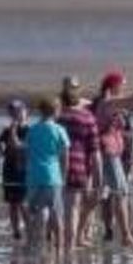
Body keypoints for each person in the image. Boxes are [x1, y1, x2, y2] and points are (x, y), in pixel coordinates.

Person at [93, 70, 133, 249]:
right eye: (122, 84)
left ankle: (81, 232)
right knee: (120, 193)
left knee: (102, 194)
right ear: (113, 85)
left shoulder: (108, 102)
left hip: (115, 153)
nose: (124, 87)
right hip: (108, 152)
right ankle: (126, 236)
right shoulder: (108, 102)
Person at [56, 77, 101, 248]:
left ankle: (63, 246)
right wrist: (99, 179)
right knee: (72, 209)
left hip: (56, 169)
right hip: (78, 169)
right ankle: (70, 247)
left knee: (60, 209)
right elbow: (95, 151)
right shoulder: (88, 117)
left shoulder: (57, 116)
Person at [23, 96, 70, 251]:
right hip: (53, 176)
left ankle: (35, 243)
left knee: (36, 211)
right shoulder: (59, 129)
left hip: (35, 176)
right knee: (56, 212)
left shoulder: (33, 129)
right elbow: (65, 155)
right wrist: (64, 176)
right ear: (56, 111)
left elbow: (27, 152)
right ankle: (60, 245)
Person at [0, 100, 31, 243]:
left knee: (23, 203)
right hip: (9, 170)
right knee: (12, 204)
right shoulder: (7, 130)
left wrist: (13, 132)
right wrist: (0, 154)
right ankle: (16, 232)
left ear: (26, 112)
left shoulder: (30, 130)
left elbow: (20, 146)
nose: (16, 114)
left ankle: (30, 230)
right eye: (13, 112)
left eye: (19, 111)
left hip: (24, 172)